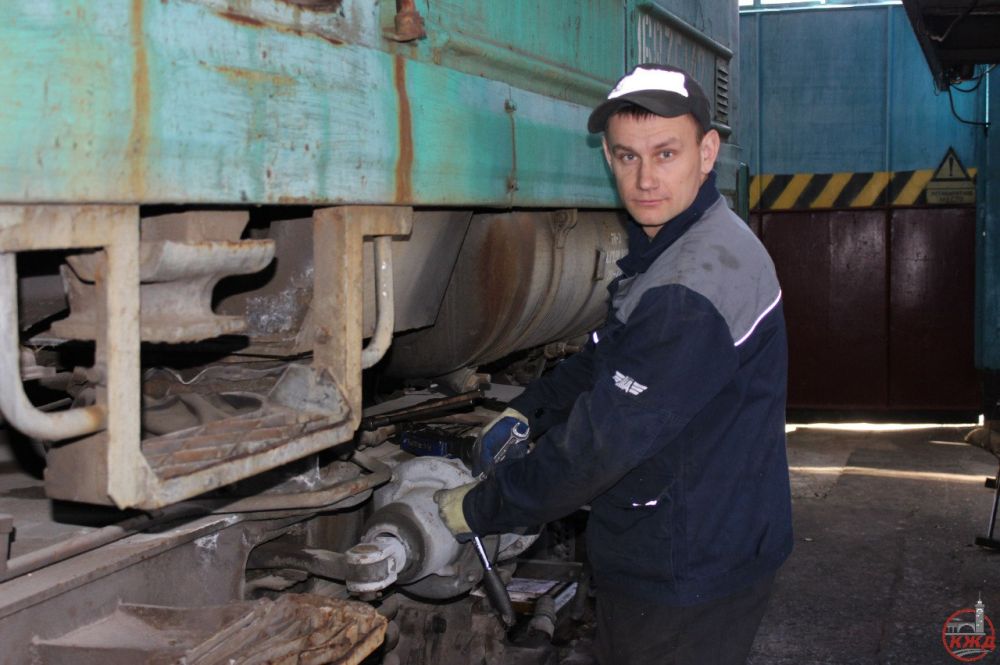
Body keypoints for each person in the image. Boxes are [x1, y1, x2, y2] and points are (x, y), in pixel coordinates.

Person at [435, 63, 793, 665]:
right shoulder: (681, 242)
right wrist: (530, 409)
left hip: (687, 566)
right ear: (607, 157)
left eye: (666, 154)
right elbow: (607, 353)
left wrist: (479, 508)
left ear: (707, 152)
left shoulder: (690, 286)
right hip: (705, 531)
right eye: (628, 157)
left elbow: (598, 448)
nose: (645, 179)